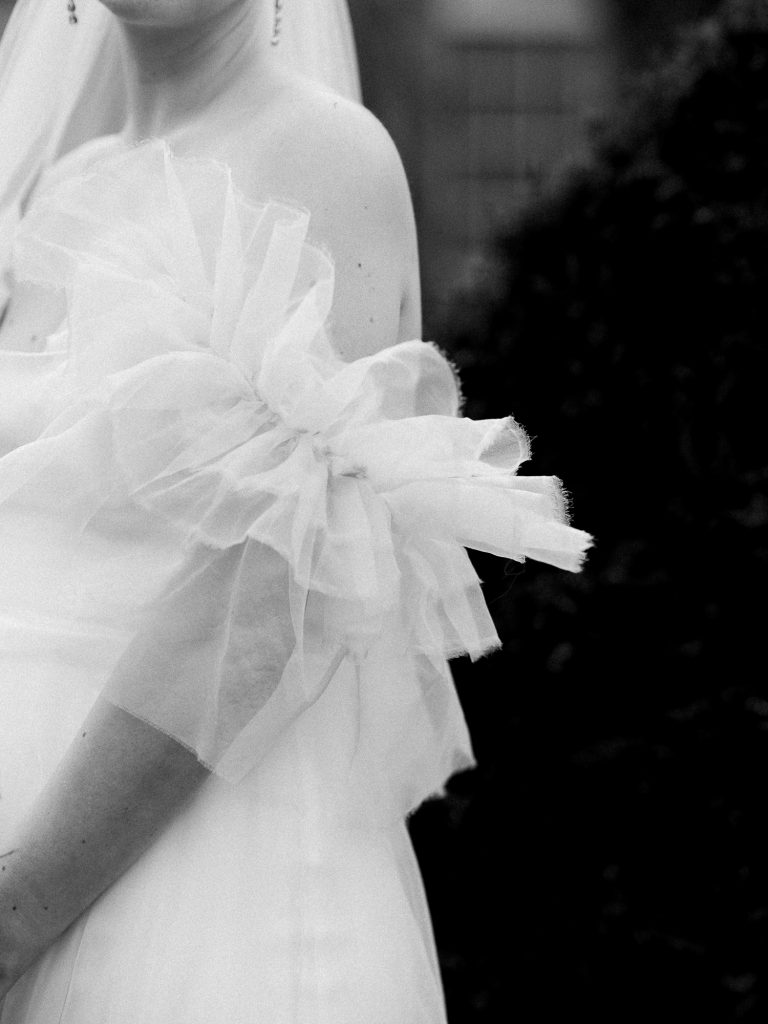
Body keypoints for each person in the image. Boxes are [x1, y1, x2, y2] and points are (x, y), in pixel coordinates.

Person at [0, 1, 593, 1021]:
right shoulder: (70, 179)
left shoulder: (323, 154)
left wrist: (21, 906)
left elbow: (270, 581)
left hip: (187, 887)